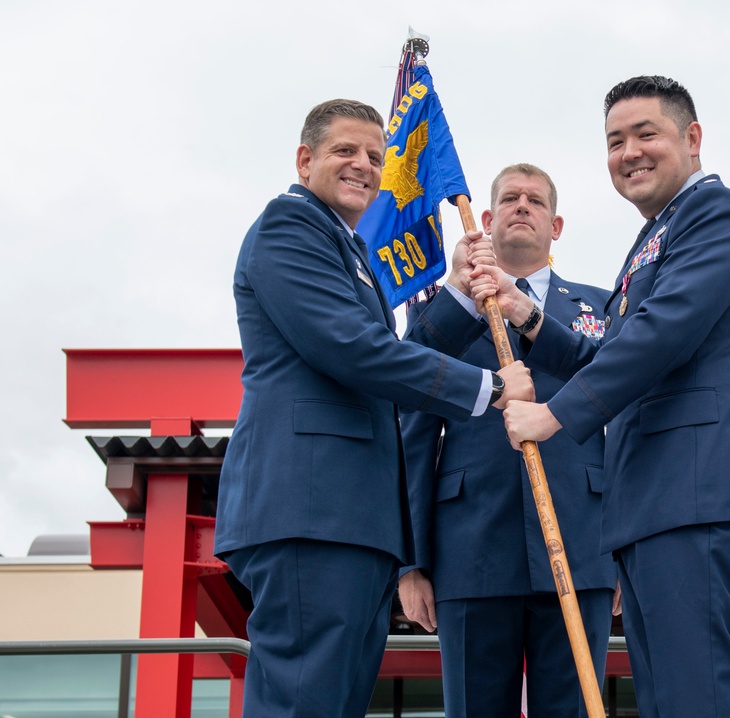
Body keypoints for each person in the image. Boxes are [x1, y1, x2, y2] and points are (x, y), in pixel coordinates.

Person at [213, 98, 533, 718]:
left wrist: (461, 294)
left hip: (350, 520)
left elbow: (387, 351)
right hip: (310, 511)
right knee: (304, 700)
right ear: (305, 160)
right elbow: (353, 351)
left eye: (374, 157)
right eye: (344, 151)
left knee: (334, 701)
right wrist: (491, 389)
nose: (363, 165)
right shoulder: (289, 227)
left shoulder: (347, 247)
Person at [483, 77, 730, 717]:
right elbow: (618, 351)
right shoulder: (656, 234)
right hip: (652, 500)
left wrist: (555, 414)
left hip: (695, 490)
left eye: (646, 134)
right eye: (615, 141)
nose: (629, 152)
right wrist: (529, 319)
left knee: (695, 696)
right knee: (666, 701)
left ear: (692, 138)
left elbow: (661, 333)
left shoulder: (716, 214)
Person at [398, 164, 616, 718]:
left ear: (556, 225)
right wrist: (411, 562)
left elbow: (625, 423)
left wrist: (622, 553)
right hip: (470, 549)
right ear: (487, 220)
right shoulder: (443, 309)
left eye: (536, 200)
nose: (523, 206)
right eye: (510, 199)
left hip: (582, 544)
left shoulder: (600, 307)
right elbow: (413, 425)